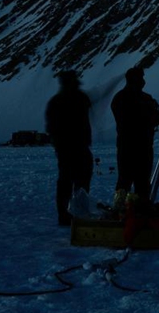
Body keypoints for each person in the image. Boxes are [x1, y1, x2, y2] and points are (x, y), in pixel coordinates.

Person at [45, 70, 93, 226]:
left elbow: (50, 128)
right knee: (79, 183)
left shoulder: (56, 102)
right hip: (75, 148)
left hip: (67, 149)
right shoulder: (79, 99)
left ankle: (67, 215)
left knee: (68, 183)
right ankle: (76, 213)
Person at [110, 67, 159, 202]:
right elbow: (146, 119)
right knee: (128, 182)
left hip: (139, 146)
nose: (143, 81)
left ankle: (137, 212)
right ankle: (123, 210)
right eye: (140, 78)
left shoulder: (126, 98)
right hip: (131, 147)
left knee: (139, 183)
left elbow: (155, 118)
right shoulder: (125, 99)